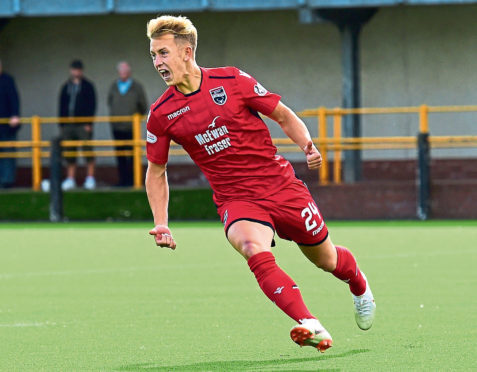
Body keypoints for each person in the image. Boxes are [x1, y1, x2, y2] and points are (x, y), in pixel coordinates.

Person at [145, 15, 376, 353]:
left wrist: (307, 145)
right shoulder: (162, 113)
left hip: (281, 187)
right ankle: (309, 324)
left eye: (163, 53)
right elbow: (156, 171)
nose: (157, 63)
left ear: (186, 52)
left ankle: (359, 285)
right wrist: (161, 222)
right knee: (253, 249)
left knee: (326, 260)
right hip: (236, 200)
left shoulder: (232, 79)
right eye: (153, 55)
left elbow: (282, 114)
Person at [58, 59, 97, 190]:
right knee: (69, 152)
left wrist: (89, 122)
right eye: (74, 69)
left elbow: (92, 105)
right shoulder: (66, 86)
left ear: (81, 71)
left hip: (83, 125)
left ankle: (90, 178)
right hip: (67, 124)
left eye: (78, 69)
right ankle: (70, 179)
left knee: (87, 150)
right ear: (71, 70)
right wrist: (61, 123)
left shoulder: (87, 86)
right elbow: (61, 104)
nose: (76, 72)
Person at [107, 61, 148, 187]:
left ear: (129, 72)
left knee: (132, 155)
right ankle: (122, 181)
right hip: (116, 127)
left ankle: (133, 180)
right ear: (119, 72)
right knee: (120, 155)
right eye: (121, 71)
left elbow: (143, 105)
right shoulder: (114, 86)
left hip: (131, 127)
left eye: (126, 71)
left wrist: (135, 117)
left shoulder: (137, 87)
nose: (123, 73)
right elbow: (110, 102)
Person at [0, 59, 21, 189]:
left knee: (8, 152)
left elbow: (14, 99)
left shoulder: (8, 80)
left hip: (7, 125)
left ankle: (7, 180)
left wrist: (15, 115)